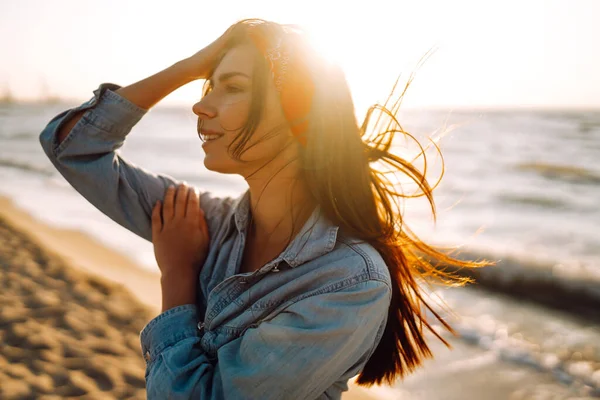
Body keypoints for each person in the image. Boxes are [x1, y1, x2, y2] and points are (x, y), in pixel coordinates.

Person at [39, 18, 491, 400]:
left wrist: (176, 275)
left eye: (231, 87)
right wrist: (191, 65)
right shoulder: (204, 223)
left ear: (300, 112)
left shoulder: (350, 283)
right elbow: (73, 146)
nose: (200, 104)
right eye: (206, 86)